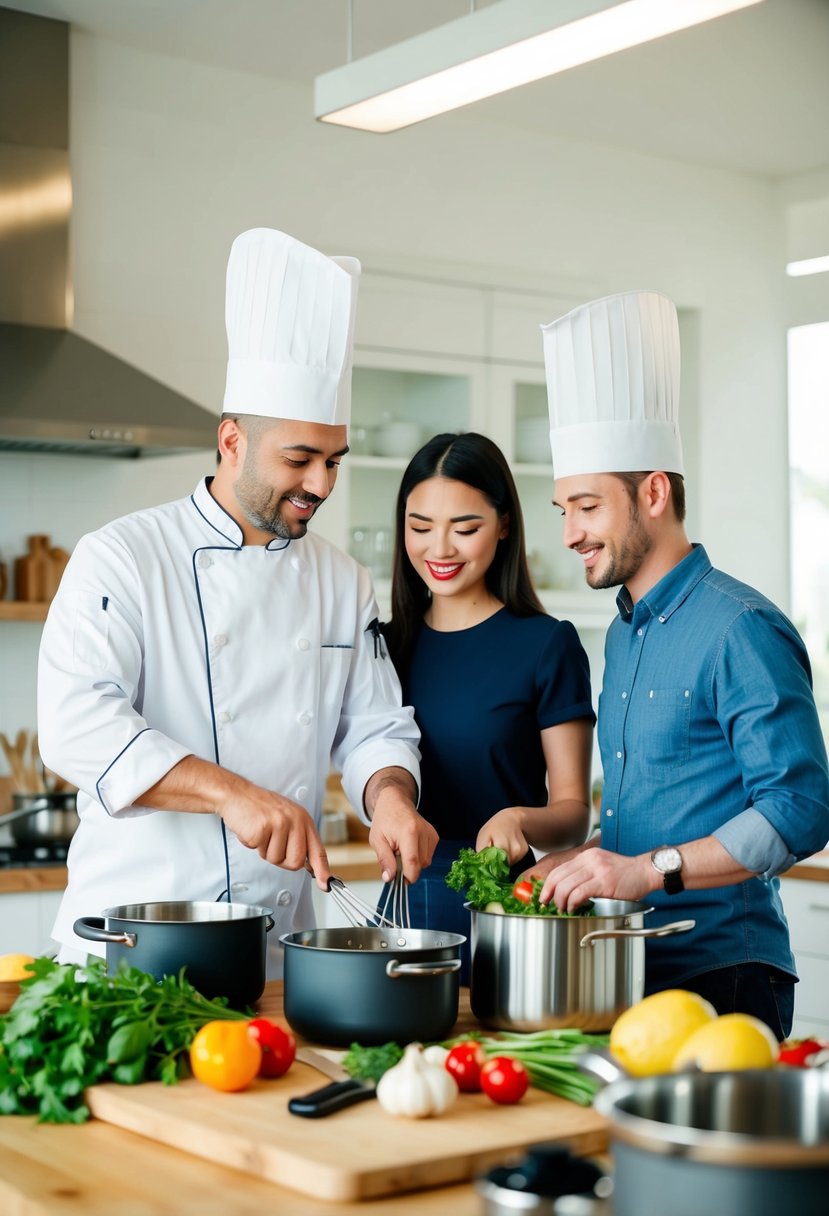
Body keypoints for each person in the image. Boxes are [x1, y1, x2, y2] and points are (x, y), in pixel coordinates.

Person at [37, 227, 436, 977]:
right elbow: (76, 727)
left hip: (274, 951)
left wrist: (388, 798)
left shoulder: (340, 579)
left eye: (333, 461)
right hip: (135, 946)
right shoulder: (123, 556)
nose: (320, 483)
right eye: (298, 459)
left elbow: (375, 725)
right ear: (230, 441)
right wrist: (230, 795)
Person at [530, 289, 829, 1038]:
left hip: (722, 973)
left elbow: (800, 809)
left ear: (653, 492)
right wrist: (587, 861)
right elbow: (665, 804)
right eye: (562, 508)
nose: (570, 531)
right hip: (629, 966)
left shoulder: (740, 628)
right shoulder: (624, 633)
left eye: (588, 507)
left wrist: (645, 871)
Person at [382, 431, 595, 979]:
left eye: (466, 528)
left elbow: (573, 816)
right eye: (420, 527)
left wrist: (518, 817)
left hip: (509, 907)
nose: (440, 549)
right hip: (404, 907)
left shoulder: (547, 645)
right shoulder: (384, 647)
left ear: (503, 526)